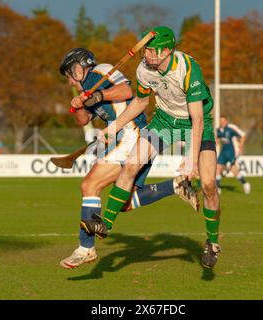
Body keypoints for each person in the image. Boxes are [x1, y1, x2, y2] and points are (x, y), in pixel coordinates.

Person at [81, 26, 221, 269]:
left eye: (154, 52)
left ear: (168, 51)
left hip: (196, 124)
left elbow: (197, 119)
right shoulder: (144, 69)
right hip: (164, 122)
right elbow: (140, 102)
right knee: (130, 166)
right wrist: (113, 127)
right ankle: (106, 224)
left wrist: (190, 160)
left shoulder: (188, 69)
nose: (148, 56)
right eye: (146, 51)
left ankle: (213, 242)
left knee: (208, 183)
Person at [58, 48, 198, 269]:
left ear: (82, 65)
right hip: (120, 138)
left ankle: (86, 248)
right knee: (123, 202)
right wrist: (78, 106)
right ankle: (176, 186)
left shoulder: (101, 71)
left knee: (90, 184)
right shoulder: (85, 88)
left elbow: (125, 91)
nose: (70, 80)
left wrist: (98, 95)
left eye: (71, 73)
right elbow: (84, 120)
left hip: (132, 132)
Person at [216, 116, 251, 194]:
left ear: (227, 121)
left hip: (232, 151)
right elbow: (217, 139)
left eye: (223, 121)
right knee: (217, 169)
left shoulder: (231, 128)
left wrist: (241, 146)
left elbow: (243, 135)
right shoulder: (218, 130)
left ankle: (245, 183)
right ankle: (217, 188)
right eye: (220, 121)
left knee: (234, 170)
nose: (222, 122)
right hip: (223, 152)